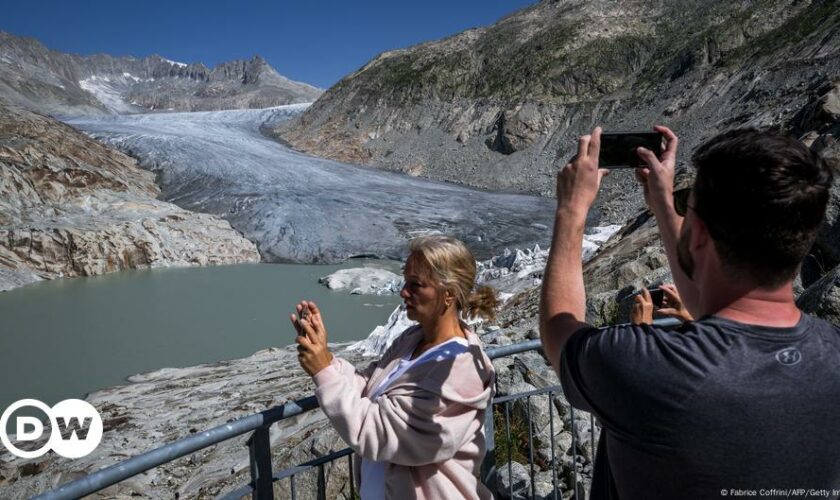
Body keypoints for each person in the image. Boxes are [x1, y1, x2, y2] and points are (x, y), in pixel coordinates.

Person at [539, 126, 840, 499]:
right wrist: (667, 204)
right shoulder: (832, 354)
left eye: (686, 202)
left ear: (698, 234)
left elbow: (557, 329)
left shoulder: (649, 367)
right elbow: (718, 310)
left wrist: (571, 210)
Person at [292, 235, 497, 500]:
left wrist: (323, 373)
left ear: (447, 294)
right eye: (405, 280)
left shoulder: (458, 368)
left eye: (416, 285)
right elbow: (370, 389)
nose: (403, 291)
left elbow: (381, 432)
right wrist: (327, 359)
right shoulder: (412, 340)